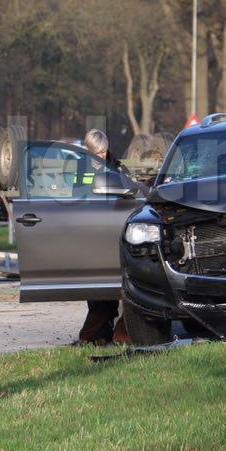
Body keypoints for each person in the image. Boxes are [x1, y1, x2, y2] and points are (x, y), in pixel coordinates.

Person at [77, 129, 130, 345]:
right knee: (97, 294)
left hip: (113, 229)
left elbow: (128, 188)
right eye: (97, 153)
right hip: (91, 231)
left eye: (104, 152)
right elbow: (77, 194)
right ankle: (98, 333)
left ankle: (106, 333)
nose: (101, 157)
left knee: (115, 288)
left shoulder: (116, 166)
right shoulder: (81, 169)